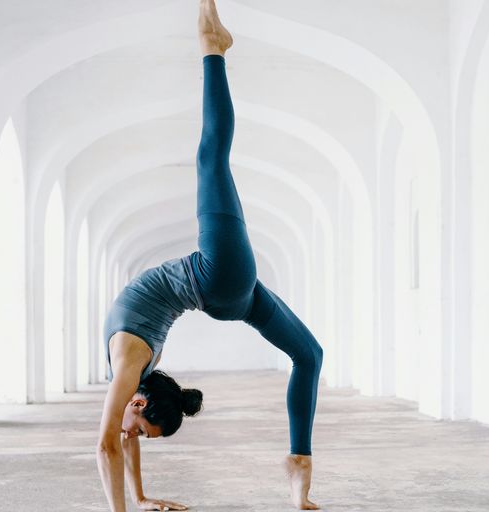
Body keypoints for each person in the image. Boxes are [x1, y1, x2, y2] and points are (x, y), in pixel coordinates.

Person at [95, 1, 323, 510]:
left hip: (221, 284)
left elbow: (110, 442)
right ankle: (211, 50)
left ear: (138, 404)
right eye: (148, 431)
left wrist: (135, 502)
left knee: (309, 355)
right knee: (211, 156)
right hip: (222, 283)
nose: (136, 436)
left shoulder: (130, 364)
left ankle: (210, 47)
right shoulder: (134, 377)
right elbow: (122, 438)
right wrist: (135, 500)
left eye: (144, 431)